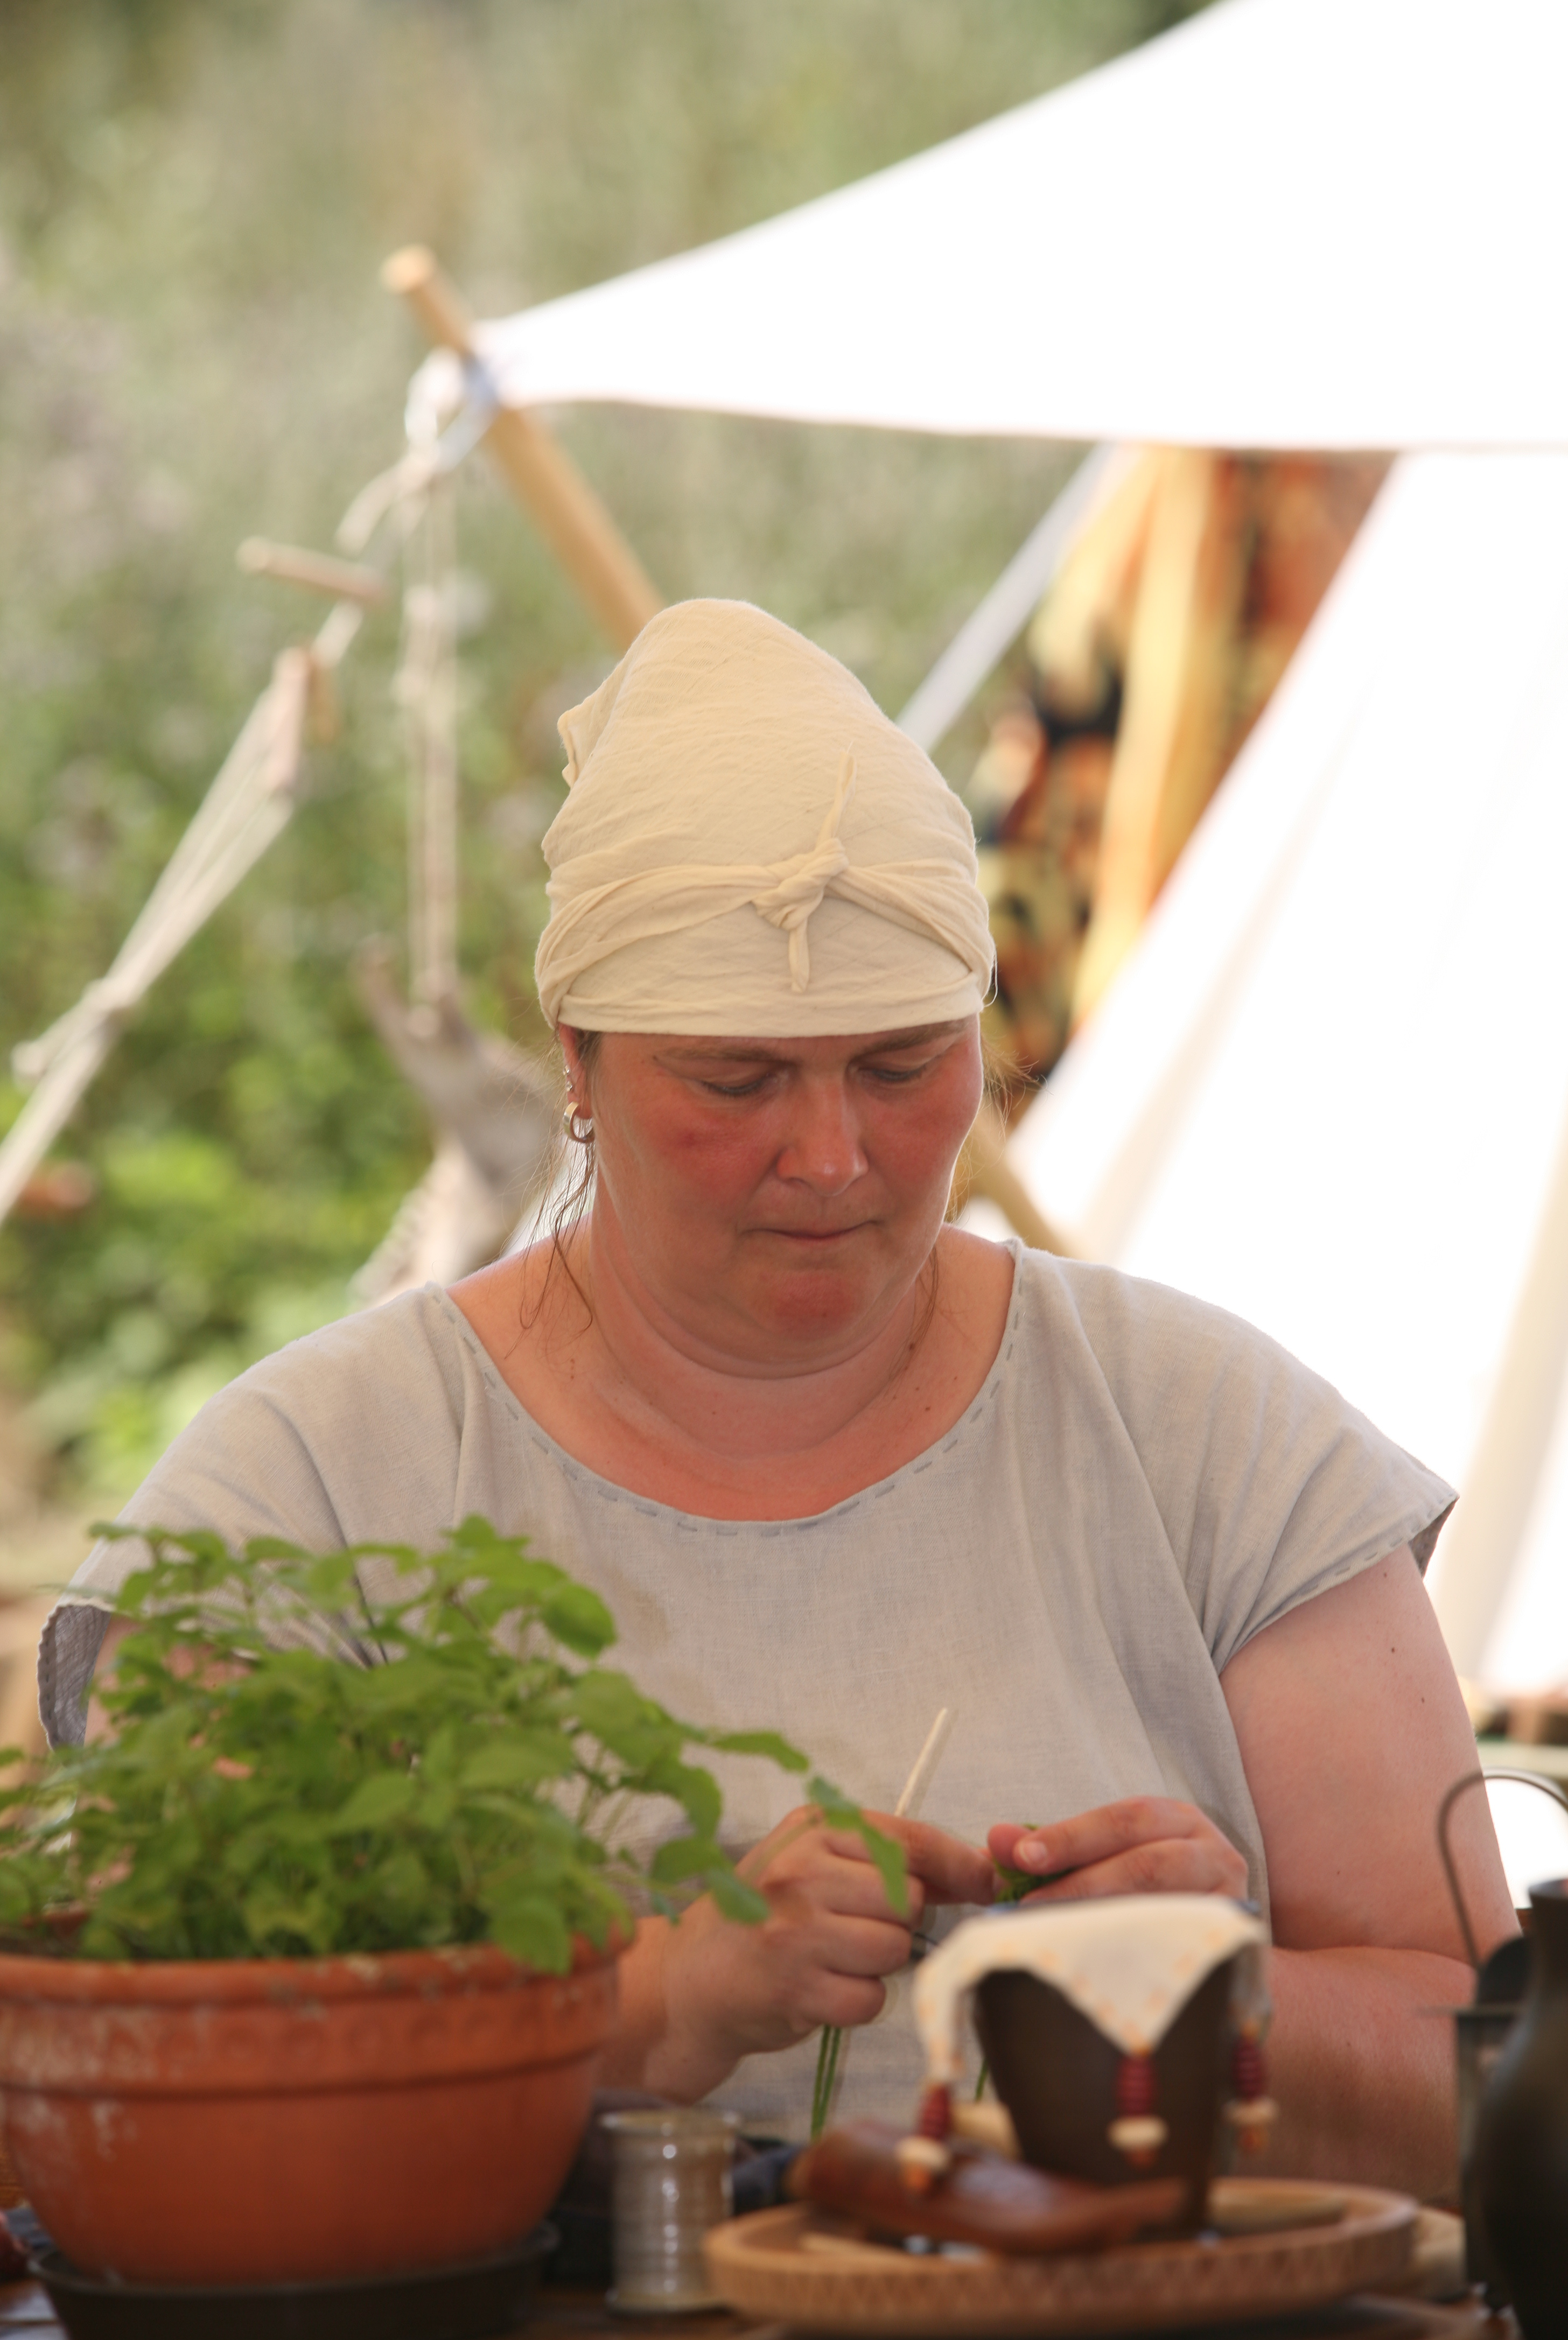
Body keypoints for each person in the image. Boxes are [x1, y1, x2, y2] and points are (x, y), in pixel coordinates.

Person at [41, 599, 1510, 2195]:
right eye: (736, 1080)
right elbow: (161, 2076)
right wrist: (660, 2004)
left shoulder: (1207, 1435)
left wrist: (1226, 2000)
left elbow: (1492, 2079)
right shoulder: (314, 1486)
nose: (830, 1157)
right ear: (577, 1063)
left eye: (901, 1068)